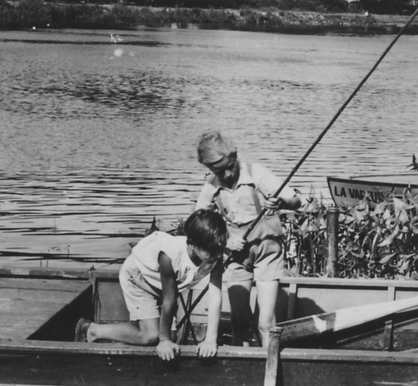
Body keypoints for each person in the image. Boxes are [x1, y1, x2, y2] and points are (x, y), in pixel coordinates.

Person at [194, 131, 303, 347]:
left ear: (234, 156)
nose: (226, 174)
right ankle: (241, 364)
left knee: (265, 322)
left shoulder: (256, 173)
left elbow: (296, 200)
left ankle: (268, 363)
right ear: (209, 168)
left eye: (230, 166)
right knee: (238, 319)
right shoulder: (211, 186)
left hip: (266, 252)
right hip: (235, 255)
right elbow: (197, 223)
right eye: (218, 170)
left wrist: (282, 204)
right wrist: (224, 242)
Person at [78, 209, 227, 360]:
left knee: (172, 335)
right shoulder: (170, 256)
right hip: (138, 277)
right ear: (192, 244)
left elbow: (215, 296)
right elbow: (169, 300)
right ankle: (91, 330)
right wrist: (164, 341)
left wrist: (210, 340)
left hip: (161, 284)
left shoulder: (215, 255)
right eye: (211, 251)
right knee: (152, 336)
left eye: (220, 249)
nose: (218, 255)